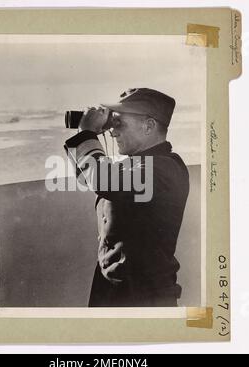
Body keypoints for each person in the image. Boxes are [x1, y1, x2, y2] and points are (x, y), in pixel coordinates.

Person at [64, 88, 190, 307]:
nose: (112, 132)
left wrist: (87, 133)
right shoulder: (134, 165)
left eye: (119, 123)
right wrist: (87, 133)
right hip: (112, 291)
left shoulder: (165, 169)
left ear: (149, 126)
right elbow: (90, 176)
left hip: (145, 297)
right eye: (112, 124)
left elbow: (102, 179)